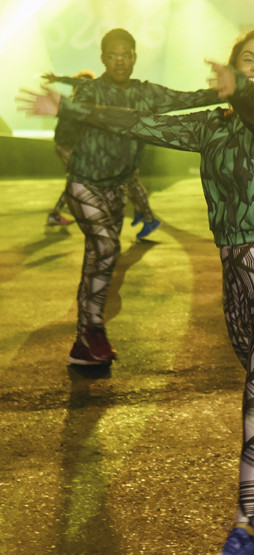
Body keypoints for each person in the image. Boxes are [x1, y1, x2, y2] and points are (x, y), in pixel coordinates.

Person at [19, 26, 254, 555]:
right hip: (239, 281)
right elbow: (142, 122)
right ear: (232, 64)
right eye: (248, 60)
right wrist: (73, 106)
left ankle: (244, 527)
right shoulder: (212, 126)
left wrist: (239, 90)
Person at [38, 29, 222, 367]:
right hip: (84, 185)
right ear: (103, 58)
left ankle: (84, 342)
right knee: (107, 248)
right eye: (113, 55)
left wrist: (228, 91)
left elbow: (186, 99)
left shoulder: (146, 93)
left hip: (116, 189)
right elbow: (68, 126)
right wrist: (74, 161)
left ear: (135, 57)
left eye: (127, 54)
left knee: (98, 258)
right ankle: (93, 330)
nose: (120, 60)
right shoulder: (90, 90)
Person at [44, 70, 161, 239]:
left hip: (123, 147)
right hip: (89, 147)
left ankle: (146, 218)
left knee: (127, 181)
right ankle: (141, 214)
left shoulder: (101, 100)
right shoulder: (82, 103)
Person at [45, 70, 95, 226]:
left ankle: (57, 213)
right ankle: (57, 213)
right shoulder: (73, 103)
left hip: (69, 146)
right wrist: (59, 78)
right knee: (78, 179)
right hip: (64, 146)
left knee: (76, 180)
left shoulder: (82, 103)